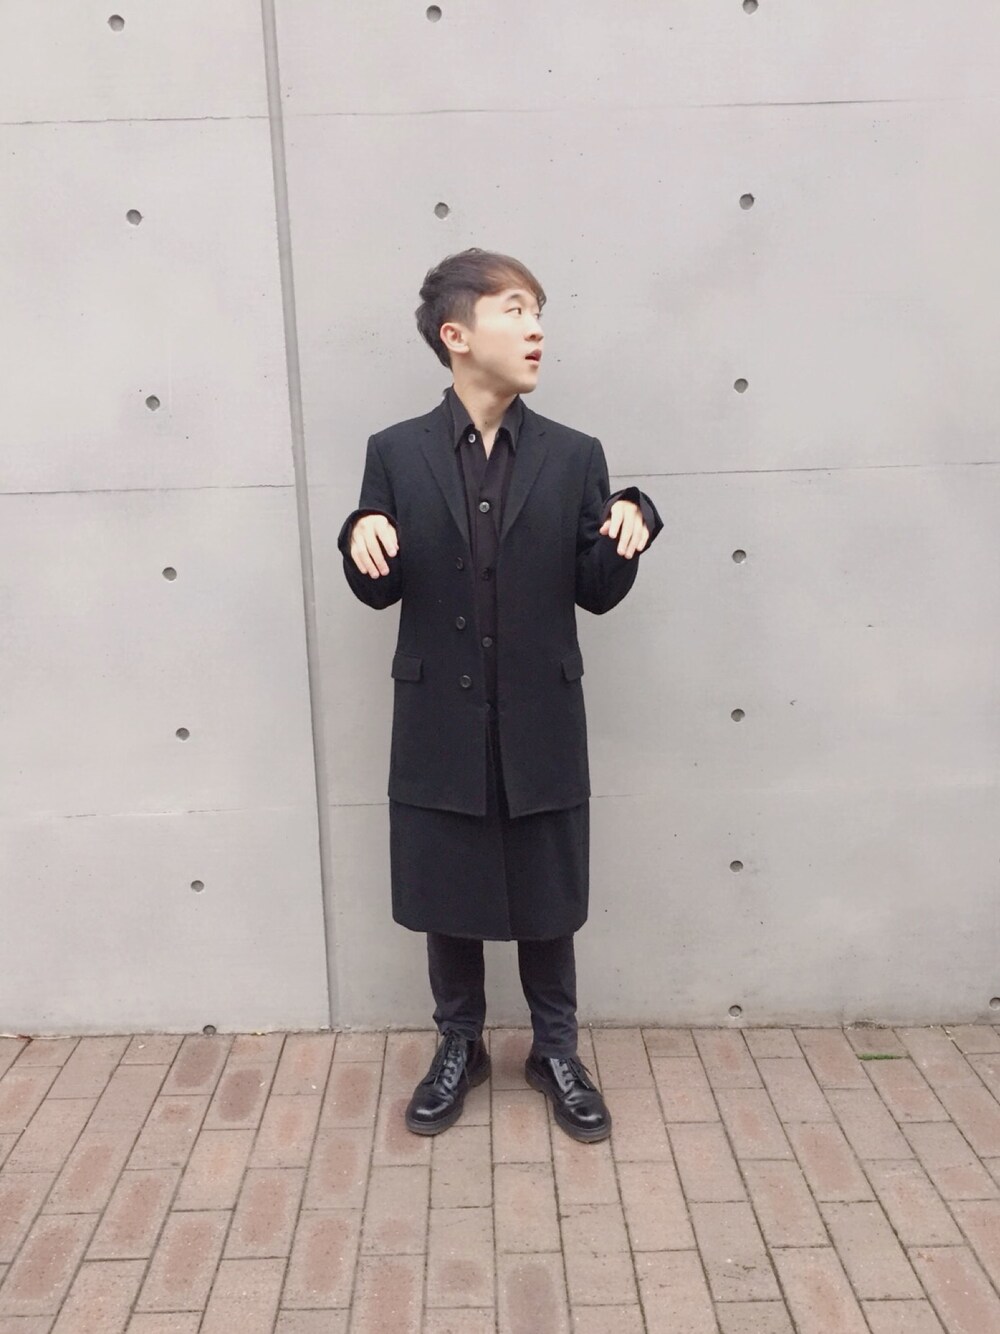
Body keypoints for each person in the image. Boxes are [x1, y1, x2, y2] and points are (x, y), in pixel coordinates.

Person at [338, 248, 662, 1143]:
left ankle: (554, 1051)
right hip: (439, 714)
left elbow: (596, 589)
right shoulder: (395, 453)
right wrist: (360, 526)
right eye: (515, 310)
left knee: (548, 889)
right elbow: (376, 587)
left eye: (539, 312)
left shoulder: (574, 455)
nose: (536, 329)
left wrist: (633, 519)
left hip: (540, 712)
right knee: (447, 884)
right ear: (457, 334)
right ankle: (461, 1045)